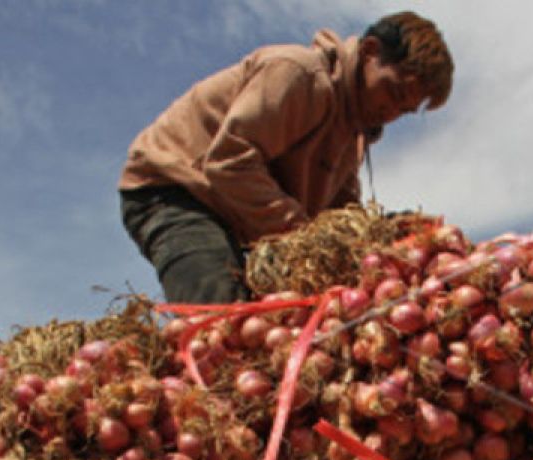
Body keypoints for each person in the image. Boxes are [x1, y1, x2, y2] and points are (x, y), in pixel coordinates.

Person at [118, 12, 454, 304]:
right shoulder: (299, 76)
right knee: (220, 320)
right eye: (393, 92)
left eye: (405, 110)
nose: (391, 113)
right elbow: (230, 163)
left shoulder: (354, 132)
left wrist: (383, 239)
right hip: (175, 190)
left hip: (236, 215)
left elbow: (337, 218)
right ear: (370, 52)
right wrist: (306, 234)